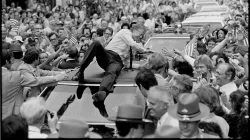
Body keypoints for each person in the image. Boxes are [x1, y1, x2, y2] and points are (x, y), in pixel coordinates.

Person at [74, 24, 149, 118]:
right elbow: (132, 43)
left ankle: (101, 96)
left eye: (142, 35)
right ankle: (81, 71)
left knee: (112, 72)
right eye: (140, 34)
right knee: (96, 43)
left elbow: (126, 64)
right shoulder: (125, 32)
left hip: (117, 62)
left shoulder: (132, 47)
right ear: (134, 30)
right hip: (107, 55)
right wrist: (144, 50)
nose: (140, 37)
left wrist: (141, 66)